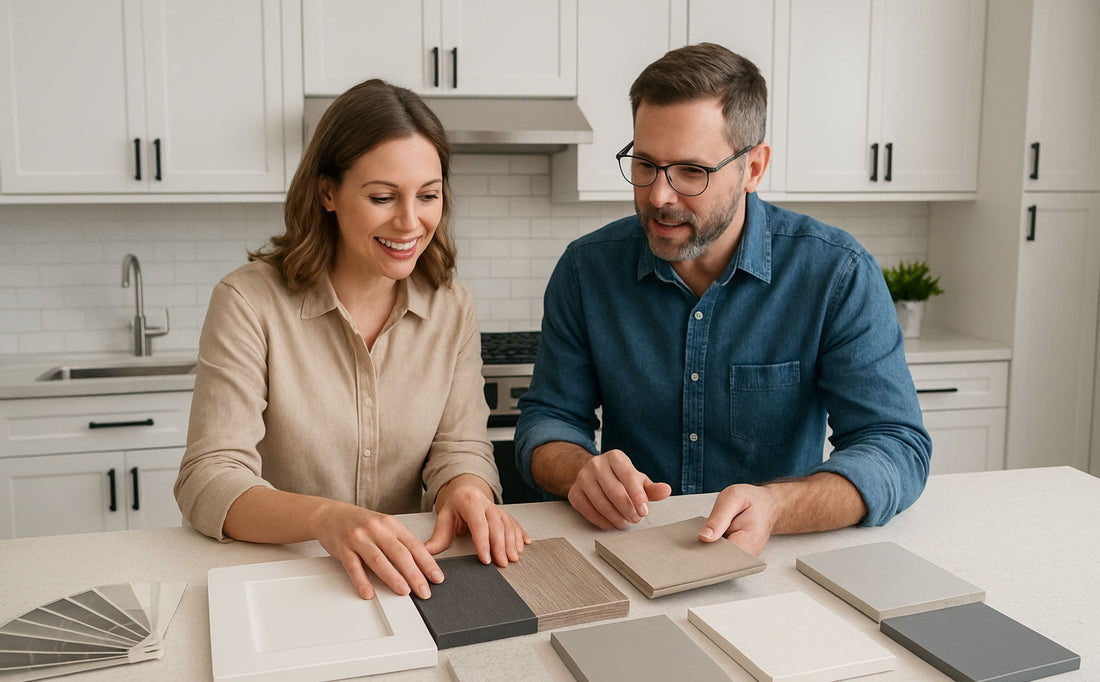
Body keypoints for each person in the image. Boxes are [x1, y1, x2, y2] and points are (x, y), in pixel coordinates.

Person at [515, 43, 931, 555]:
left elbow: (895, 446)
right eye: (645, 164)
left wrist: (779, 507)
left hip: (778, 559)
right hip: (627, 552)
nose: (659, 195)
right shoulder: (586, 270)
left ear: (753, 168)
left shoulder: (835, 274)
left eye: (692, 171)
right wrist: (580, 470)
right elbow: (548, 420)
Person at [175, 79, 529, 601]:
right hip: (285, 577)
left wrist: (466, 489)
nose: (411, 222)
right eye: (383, 197)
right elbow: (209, 477)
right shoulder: (248, 301)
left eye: (428, 196)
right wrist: (325, 518)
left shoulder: (451, 304)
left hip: (406, 579)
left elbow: (460, 447)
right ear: (327, 193)